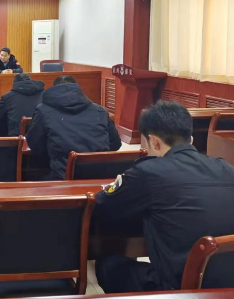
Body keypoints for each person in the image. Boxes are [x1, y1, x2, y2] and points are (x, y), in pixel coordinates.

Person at [95, 101, 234, 293]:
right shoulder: (226, 167)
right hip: (227, 285)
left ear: (154, 142)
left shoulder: (148, 171)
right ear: (190, 140)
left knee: (107, 264)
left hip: (180, 291)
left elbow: (103, 204)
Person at [26, 75, 121, 179]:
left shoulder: (43, 110)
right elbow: (115, 143)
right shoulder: (100, 110)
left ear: (53, 89)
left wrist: (54, 154)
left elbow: (35, 144)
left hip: (63, 177)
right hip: (102, 176)